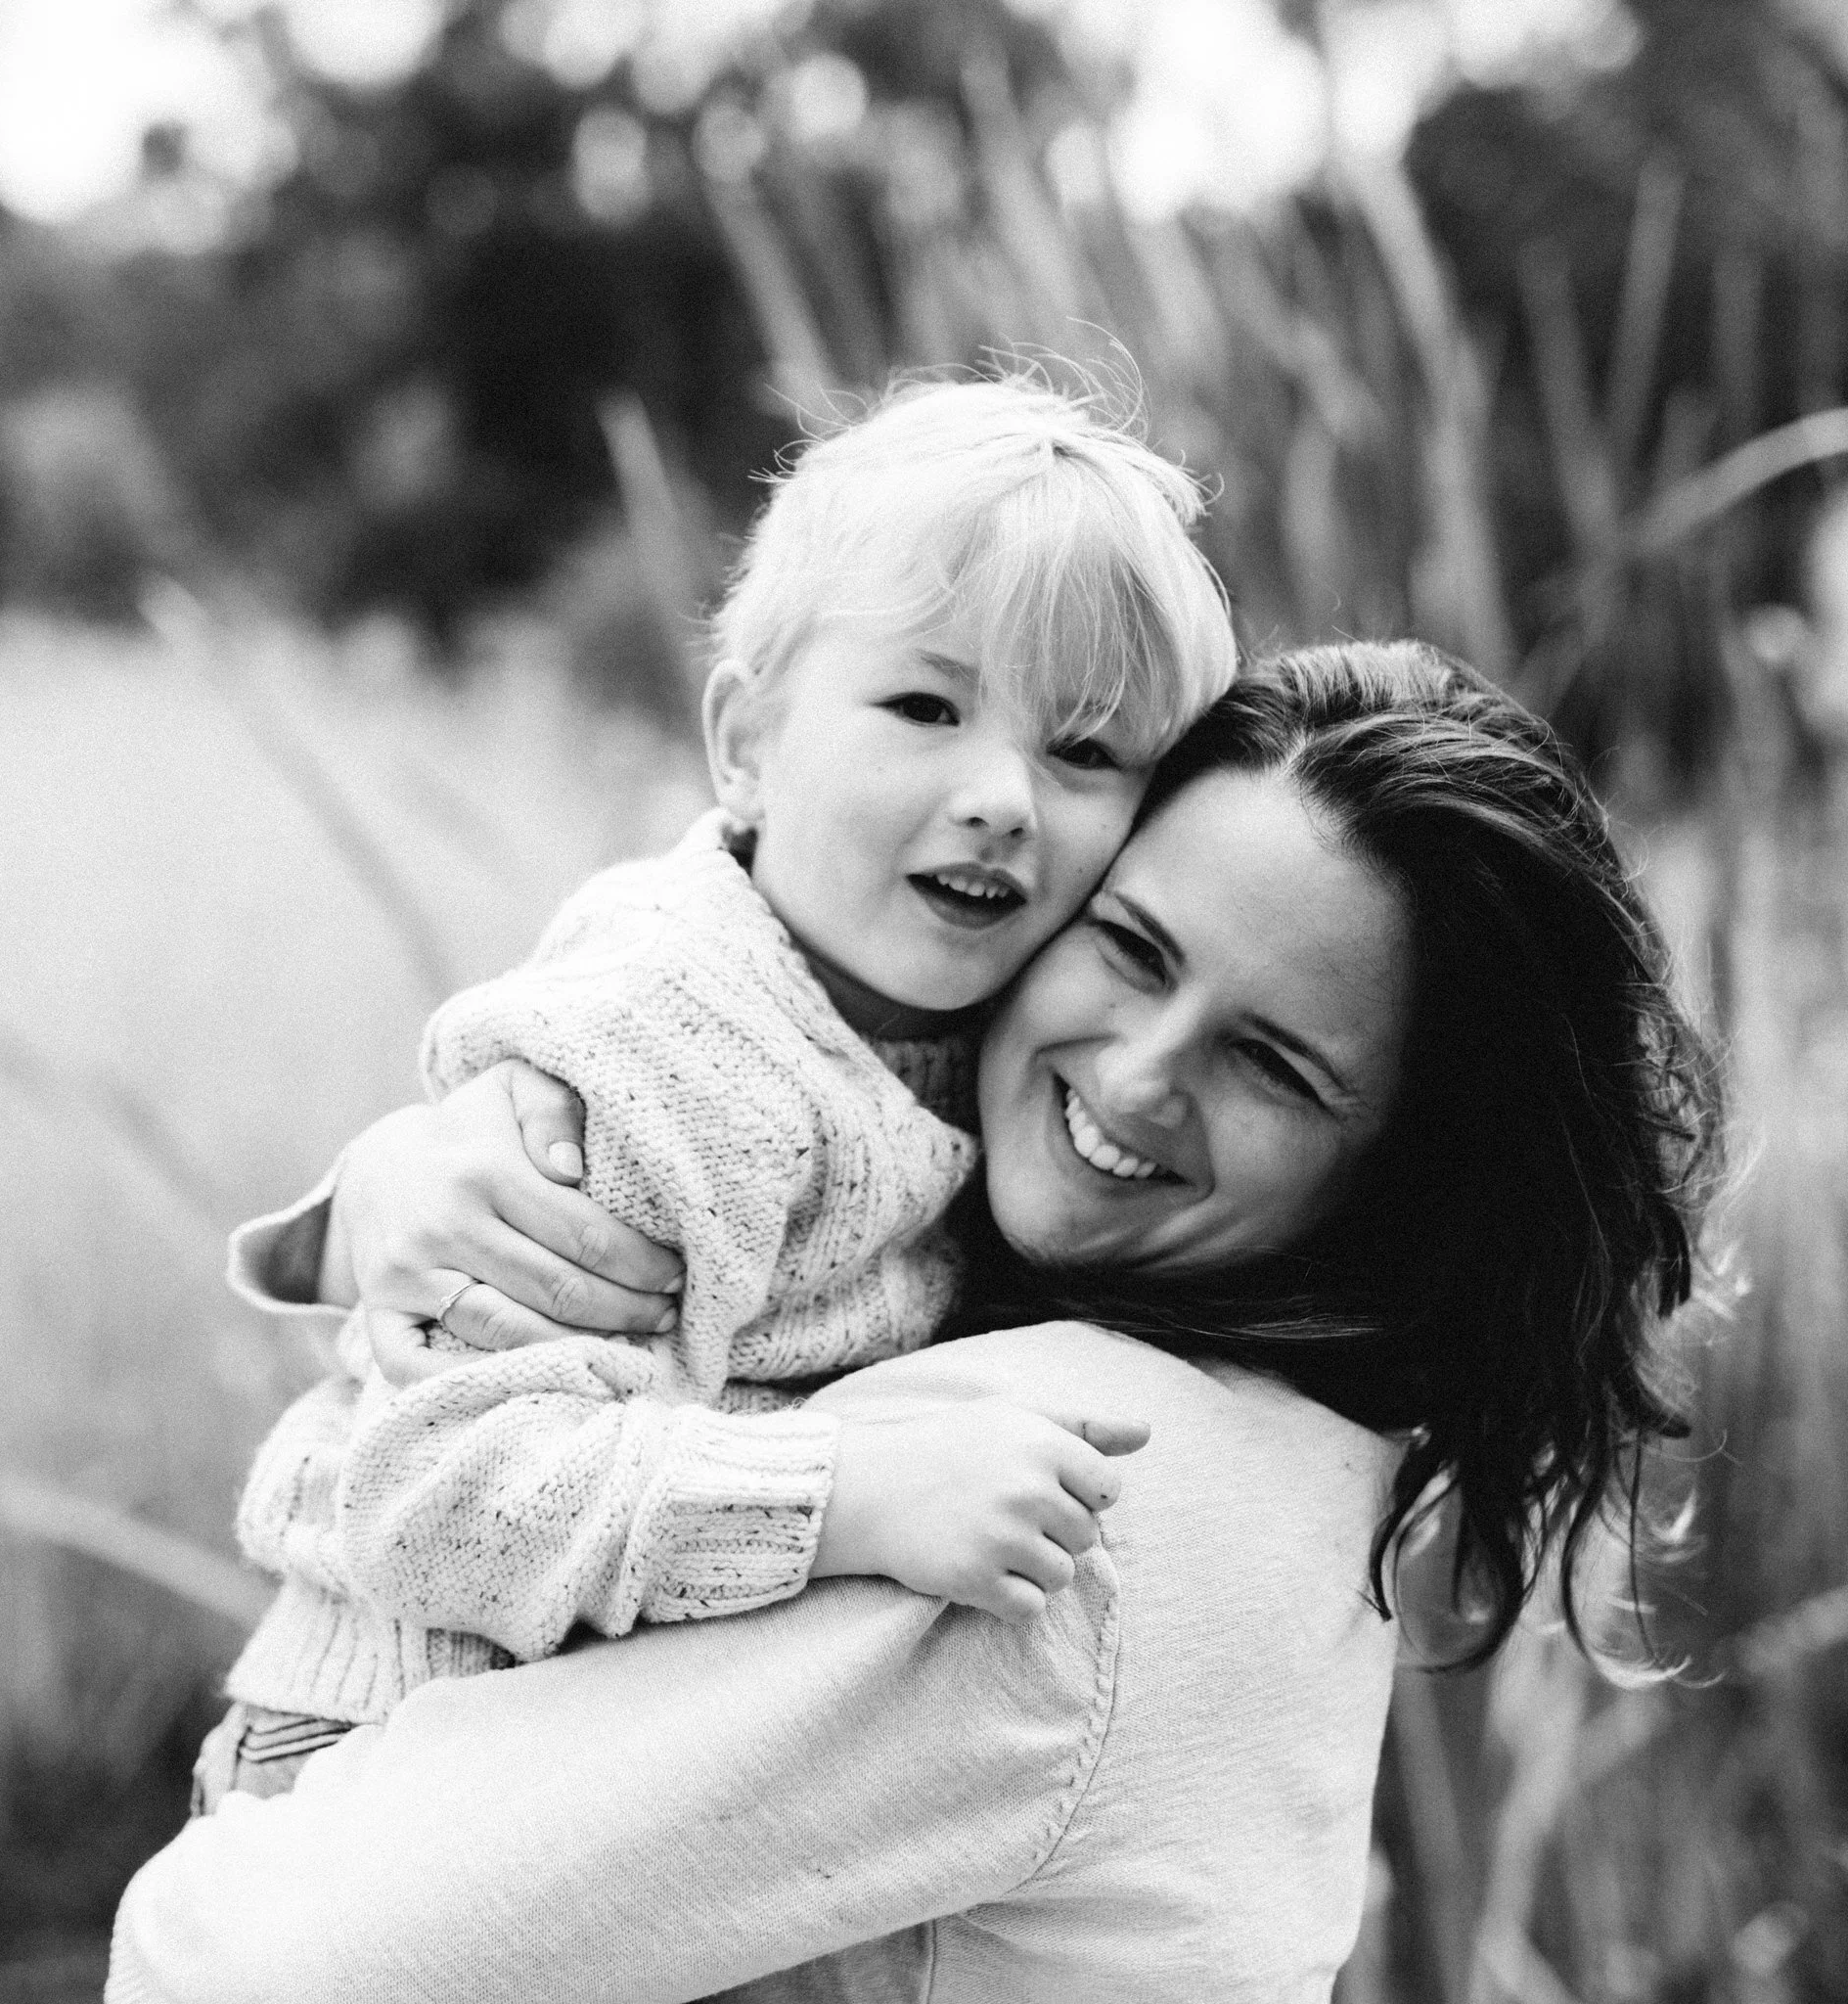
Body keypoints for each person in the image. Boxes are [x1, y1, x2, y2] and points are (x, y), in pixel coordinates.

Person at [109, 643, 1722, 2002]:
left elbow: (254, 1962)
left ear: (1403, 1178)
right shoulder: (1262, 1449)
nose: (1143, 1075)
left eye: (1275, 1067)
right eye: (1131, 946)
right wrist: (438, 1174)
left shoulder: (1075, 1490)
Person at [197, 371, 1240, 1802]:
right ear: (746, 745)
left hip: (593, 1759)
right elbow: (430, 1498)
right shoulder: (676, 1042)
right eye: (926, 704)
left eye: (1085, 750)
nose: (1005, 792)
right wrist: (850, 1498)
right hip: (386, 1756)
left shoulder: (976, 1023)